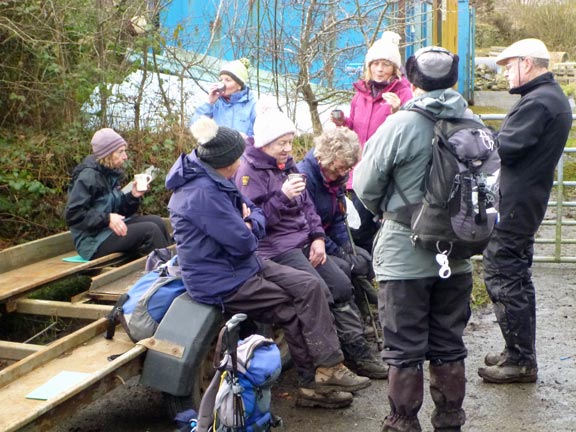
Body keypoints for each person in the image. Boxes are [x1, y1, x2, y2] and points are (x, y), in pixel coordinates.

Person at [166, 116, 370, 409]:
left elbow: (252, 217)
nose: (241, 162)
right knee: (294, 306)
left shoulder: (215, 178)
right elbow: (245, 240)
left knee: (310, 285)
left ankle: (329, 368)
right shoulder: (202, 193)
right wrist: (250, 222)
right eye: (237, 158)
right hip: (221, 278)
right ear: (226, 162)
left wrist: (251, 221)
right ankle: (312, 386)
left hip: (241, 264)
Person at [353, 46, 473, 431]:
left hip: (404, 254)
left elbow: (365, 185)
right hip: (456, 254)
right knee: (448, 343)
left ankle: (402, 423)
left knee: (404, 350)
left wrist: (391, 211)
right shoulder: (472, 122)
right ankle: (450, 419)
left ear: (412, 79)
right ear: (453, 79)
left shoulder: (400, 125)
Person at [234, 108, 388, 380]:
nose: (287, 148)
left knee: (341, 283)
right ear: (265, 142)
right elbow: (254, 225)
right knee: (321, 291)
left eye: (290, 142)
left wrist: (317, 237)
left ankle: (355, 352)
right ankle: (327, 365)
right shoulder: (249, 172)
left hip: (304, 241)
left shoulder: (288, 165)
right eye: (282, 143)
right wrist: (281, 197)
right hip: (275, 249)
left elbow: (309, 208)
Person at [477, 39, 573, 384]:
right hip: (524, 201)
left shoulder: (540, 102)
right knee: (516, 277)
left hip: (515, 205)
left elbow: (507, 147)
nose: (504, 73)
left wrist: (481, 133)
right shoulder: (547, 98)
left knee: (504, 278)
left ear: (527, 63)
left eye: (508, 66)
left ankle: (520, 360)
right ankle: (517, 350)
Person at [331, 31, 413, 252]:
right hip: (358, 169)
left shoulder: (404, 94)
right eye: (375, 64)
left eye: (385, 64)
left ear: (394, 69)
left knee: (373, 226)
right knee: (356, 223)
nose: (379, 69)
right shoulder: (360, 94)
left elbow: (409, 132)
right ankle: (363, 270)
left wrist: (398, 110)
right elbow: (356, 128)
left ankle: (371, 269)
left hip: (385, 171)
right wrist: (342, 122)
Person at [296, 128, 378, 322]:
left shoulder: (336, 179)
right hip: (308, 242)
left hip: (327, 236)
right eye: (339, 167)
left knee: (363, 258)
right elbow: (306, 225)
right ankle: (349, 322)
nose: (343, 173)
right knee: (344, 267)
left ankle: (367, 309)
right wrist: (340, 253)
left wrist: (346, 246)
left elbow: (338, 218)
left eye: (347, 168)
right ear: (327, 159)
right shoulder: (305, 178)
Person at [65, 128, 171, 260]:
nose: (125, 156)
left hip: (107, 231)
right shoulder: (88, 177)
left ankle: (172, 265)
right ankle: (164, 274)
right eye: (120, 152)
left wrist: (133, 196)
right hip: (92, 242)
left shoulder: (109, 172)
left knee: (157, 221)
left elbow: (119, 211)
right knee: (150, 230)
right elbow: (73, 215)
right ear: (108, 154)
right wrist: (107, 219)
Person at [190, 58, 257, 138]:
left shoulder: (253, 105)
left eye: (227, 80)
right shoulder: (216, 102)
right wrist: (209, 103)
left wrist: (247, 140)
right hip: (217, 150)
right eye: (221, 80)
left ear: (239, 85)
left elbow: (261, 137)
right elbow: (195, 127)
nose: (222, 83)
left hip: (242, 149)